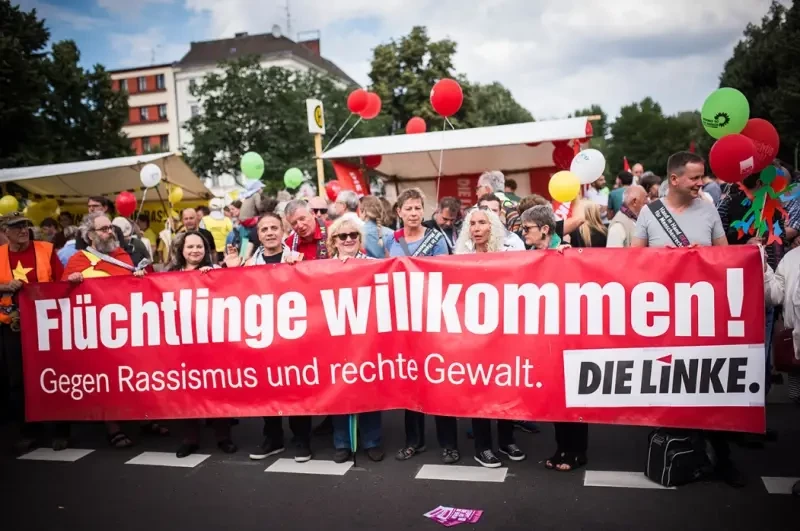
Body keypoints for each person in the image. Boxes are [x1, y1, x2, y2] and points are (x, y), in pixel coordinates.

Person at [631, 152, 745, 488]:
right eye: (695, 178)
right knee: (669, 384)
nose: (700, 183)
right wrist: (662, 261)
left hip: (704, 315)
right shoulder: (650, 213)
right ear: (675, 179)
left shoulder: (709, 210)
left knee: (709, 386)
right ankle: (673, 450)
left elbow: (726, 257)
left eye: (702, 177)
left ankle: (722, 457)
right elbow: (631, 262)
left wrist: (705, 256)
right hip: (663, 317)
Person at [137, 231, 236, 458]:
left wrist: (219, 275)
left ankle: (223, 437)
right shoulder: (169, 276)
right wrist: (141, 277)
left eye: (199, 246)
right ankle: (190, 439)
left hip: (211, 343)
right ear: (181, 250)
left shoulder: (214, 270)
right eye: (190, 246)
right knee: (185, 392)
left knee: (216, 390)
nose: (195, 251)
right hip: (180, 345)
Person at [387, 188, 459, 464]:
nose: (414, 213)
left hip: (432, 318)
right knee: (411, 382)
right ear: (399, 212)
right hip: (405, 322)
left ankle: (449, 443)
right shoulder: (392, 241)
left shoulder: (436, 240)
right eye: (409, 208)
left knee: (439, 380)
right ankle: (413, 442)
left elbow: (445, 275)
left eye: (418, 208)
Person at [454, 207, 527, 467]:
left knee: (504, 386)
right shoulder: (460, 258)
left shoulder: (507, 255)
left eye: (482, 223)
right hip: (474, 335)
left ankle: (506, 440)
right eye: (472, 223)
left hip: (503, 333)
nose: (476, 228)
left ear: (492, 227)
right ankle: (482, 447)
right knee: (480, 388)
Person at [63, 212, 143, 448]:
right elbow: (60, 294)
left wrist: (140, 277)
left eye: (111, 228)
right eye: (104, 229)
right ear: (90, 235)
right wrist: (72, 282)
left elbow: (135, 288)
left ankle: (144, 418)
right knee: (105, 378)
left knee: (132, 375)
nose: (110, 232)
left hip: (126, 328)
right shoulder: (78, 260)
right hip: (97, 332)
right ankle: (112, 426)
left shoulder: (122, 256)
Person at [518, 205, 586, 472]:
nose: (523, 233)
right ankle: (562, 448)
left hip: (570, 335)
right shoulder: (531, 256)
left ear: (545, 229)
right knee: (557, 396)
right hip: (546, 337)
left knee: (573, 395)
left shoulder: (568, 252)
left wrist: (569, 258)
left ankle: (577, 451)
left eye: (527, 229)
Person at [0, 213, 65, 454]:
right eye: (16, 227)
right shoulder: (0, 255)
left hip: (46, 324)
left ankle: (60, 431)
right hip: (12, 326)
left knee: (54, 376)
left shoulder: (46, 249)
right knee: (18, 381)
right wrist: (4, 287)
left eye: (25, 225)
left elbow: (61, 281)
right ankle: (29, 432)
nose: (23, 230)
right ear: (5, 232)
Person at [324, 213, 385, 463]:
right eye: (342, 236)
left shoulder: (373, 264)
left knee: (368, 387)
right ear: (334, 241)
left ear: (359, 239)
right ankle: (342, 443)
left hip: (367, 336)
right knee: (340, 390)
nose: (348, 239)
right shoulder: (323, 269)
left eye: (353, 235)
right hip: (335, 338)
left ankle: (372, 441)